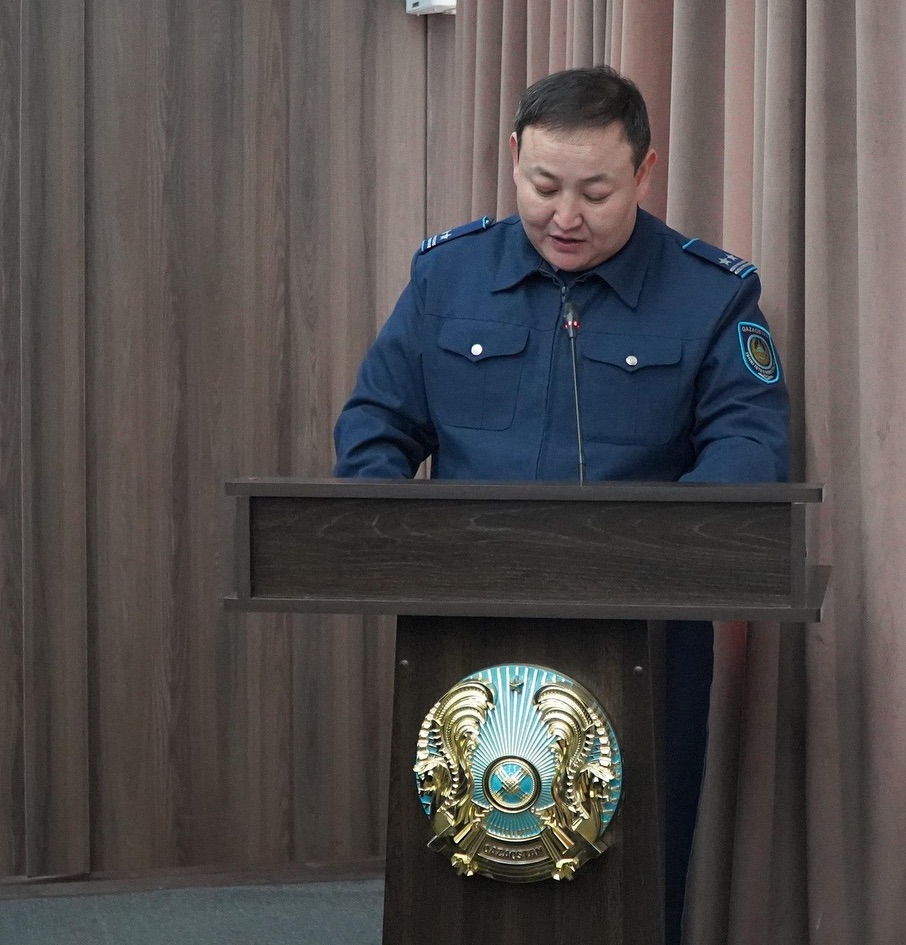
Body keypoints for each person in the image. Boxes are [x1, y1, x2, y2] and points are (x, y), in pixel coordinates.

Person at [334, 66, 791, 942]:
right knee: (461, 869)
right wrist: (385, 527)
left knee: (630, 877)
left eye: (596, 192)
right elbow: (376, 424)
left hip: (644, 640)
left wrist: (654, 553)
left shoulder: (711, 294)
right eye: (544, 187)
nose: (566, 216)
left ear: (644, 172)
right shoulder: (447, 278)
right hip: (463, 632)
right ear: (513, 159)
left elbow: (748, 452)